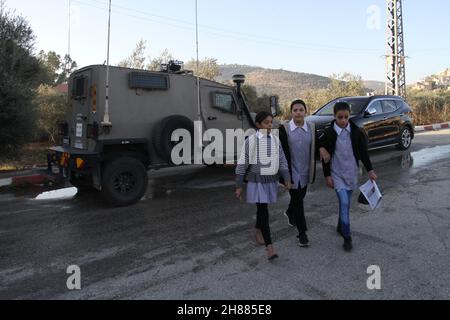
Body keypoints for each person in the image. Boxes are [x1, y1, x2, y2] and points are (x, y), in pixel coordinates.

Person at [320, 102, 377, 251]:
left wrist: (370, 170)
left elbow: (364, 153)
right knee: (344, 203)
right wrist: (327, 175)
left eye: (346, 117)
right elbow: (322, 151)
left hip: (352, 173)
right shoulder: (329, 132)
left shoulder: (357, 132)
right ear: (334, 116)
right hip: (336, 173)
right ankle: (347, 236)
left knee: (345, 203)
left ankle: (340, 226)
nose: (343, 120)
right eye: (340, 117)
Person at [235, 111, 291, 260]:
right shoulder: (251, 141)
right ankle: (270, 247)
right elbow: (242, 164)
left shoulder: (275, 140)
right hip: (256, 181)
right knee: (263, 210)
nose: (269, 125)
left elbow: (282, 160)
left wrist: (287, 178)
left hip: (270, 180)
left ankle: (258, 229)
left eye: (271, 122)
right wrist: (239, 185)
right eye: (266, 122)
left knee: (263, 208)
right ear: (258, 125)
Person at [279, 99, 330, 247]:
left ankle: (289, 212)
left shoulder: (311, 127)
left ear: (305, 111)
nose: (298, 112)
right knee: (299, 203)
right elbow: (280, 151)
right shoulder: (285, 128)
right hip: (291, 172)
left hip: (306, 171)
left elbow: (317, 143)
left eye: (301, 110)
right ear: (291, 112)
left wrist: (322, 148)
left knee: (300, 197)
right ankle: (302, 233)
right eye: (295, 110)